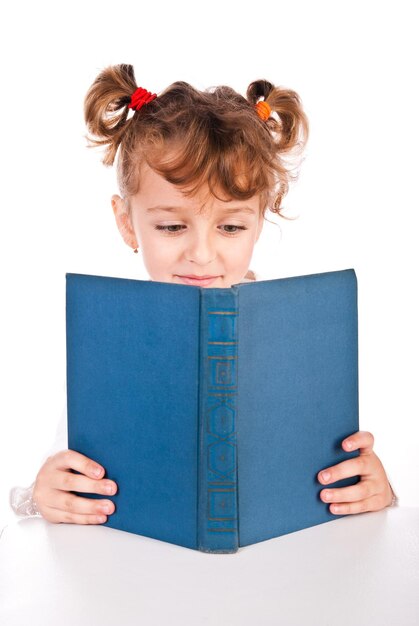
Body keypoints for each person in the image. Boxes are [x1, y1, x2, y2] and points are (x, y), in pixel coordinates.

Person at [10, 64, 398, 525]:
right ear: (127, 222)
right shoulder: (111, 336)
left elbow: (346, 490)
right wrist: (43, 495)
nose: (200, 254)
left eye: (231, 226)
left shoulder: (301, 333)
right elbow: (65, 486)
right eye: (172, 226)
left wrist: (377, 491)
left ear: (260, 221)